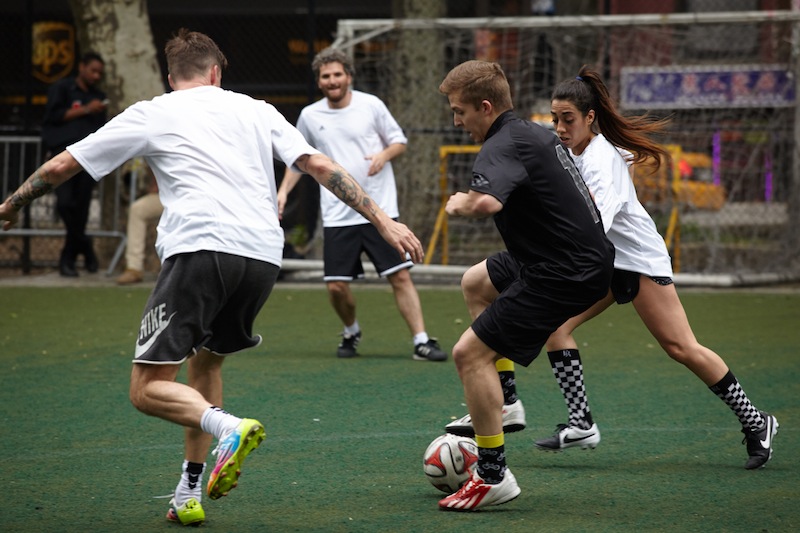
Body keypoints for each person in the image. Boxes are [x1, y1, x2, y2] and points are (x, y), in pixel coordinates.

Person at [0, 29, 423, 526]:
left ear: (170, 76)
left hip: (201, 250)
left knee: (146, 388)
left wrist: (10, 206)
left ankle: (229, 427)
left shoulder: (153, 111)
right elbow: (320, 165)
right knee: (206, 366)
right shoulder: (256, 108)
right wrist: (384, 220)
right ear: (216, 73)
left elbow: (63, 164)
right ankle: (189, 491)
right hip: (263, 257)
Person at [446, 65, 779, 471]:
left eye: (568, 119)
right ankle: (574, 420)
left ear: (590, 118)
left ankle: (756, 420)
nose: (560, 127)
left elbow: (588, 225)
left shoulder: (602, 160)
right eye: (555, 119)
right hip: (595, 262)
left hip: (634, 260)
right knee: (552, 324)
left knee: (681, 347)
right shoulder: (564, 150)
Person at [436, 60, 615, 511]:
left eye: (460, 112)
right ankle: (508, 402)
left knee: (467, 354)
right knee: (476, 281)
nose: (457, 122)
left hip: (562, 270)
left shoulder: (500, 143)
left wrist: (461, 203)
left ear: (485, 106)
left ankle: (494, 476)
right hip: (563, 259)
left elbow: (487, 201)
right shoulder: (533, 132)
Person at [277, 47, 446, 362]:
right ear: (319, 82)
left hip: (379, 209)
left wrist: (383, 155)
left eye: (337, 74)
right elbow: (299, 161)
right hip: (338, 216)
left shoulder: (372, 105)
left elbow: (399, 141)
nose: (332, 80)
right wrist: (283, 192)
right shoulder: (310, 116)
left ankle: (421, 341)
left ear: (349, 77)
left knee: (400, 275)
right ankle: (351, 331)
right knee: (336, 287)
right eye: (326, 76)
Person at [41, 52, 108, 277]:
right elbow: (53, 116)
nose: (96, 76)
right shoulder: (62, 89)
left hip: (88, 160)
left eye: (100, 72)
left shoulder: (99, 97)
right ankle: (84, 245)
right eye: (93, 70)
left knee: (81, 209)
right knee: (64, 203)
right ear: (81, 67)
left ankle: (67, 260)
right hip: (62, 156)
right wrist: (86, 109)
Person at [117, 162, 163, 285]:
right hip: (165, 196)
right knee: (137, 209)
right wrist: (156, 183)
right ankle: (134, 268)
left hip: (192, 199)